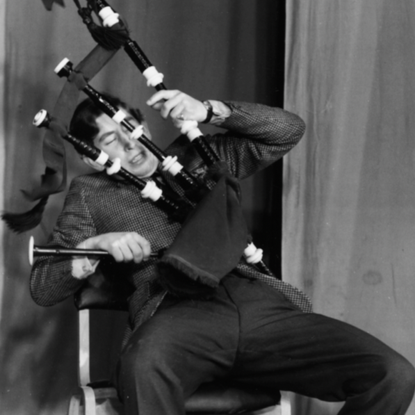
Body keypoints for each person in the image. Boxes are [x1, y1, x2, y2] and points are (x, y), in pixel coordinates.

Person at [30, 89, 415, 415]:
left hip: (259, 305)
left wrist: (212, 111)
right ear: (89, 156)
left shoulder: (196, 154)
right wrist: (93, 246)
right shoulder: (90, 193)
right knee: (141, 367)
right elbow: (44, 287)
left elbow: (287, 131)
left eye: (130, 128)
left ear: (143, 124)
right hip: (176, 310)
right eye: (110, 140)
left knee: (392, 374)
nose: (130, 144)